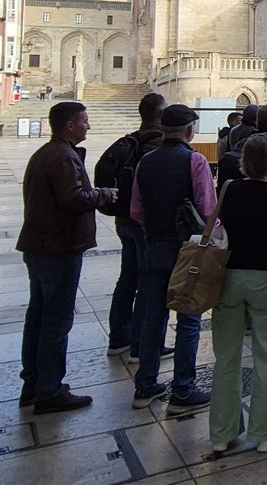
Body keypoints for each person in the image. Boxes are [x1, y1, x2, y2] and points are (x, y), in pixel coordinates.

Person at [16, 102, 117, 413]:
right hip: (57, 248)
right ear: (69, 125)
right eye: (84, 121)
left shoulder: (47, 153)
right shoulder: (62, 156)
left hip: (41, 245)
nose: (88, 127)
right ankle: (48, 390)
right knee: (56, 319)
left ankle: (33, 383)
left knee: (39, 315)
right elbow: (73, 199)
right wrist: (105, 194)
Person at [210, 134, 267, 455]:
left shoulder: (229, 189)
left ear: (244, 161)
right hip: (266, 276)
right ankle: (265, 431)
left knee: (227, 355)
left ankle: (221, 432)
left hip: (229, 276)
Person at [130, 104, 217, 415]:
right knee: (189, 319)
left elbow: (136, 211)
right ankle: (182, 389)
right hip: (186, 249)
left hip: (154, 245)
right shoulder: (195, 161)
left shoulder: (146, 162)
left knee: (154, 318)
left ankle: (145, 385)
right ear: (190, 130)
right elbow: (208, 210)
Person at [101, 92, 165, 359]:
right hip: (144, 224)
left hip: (123, 220)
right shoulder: (158, 144)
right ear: (160, 115)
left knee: (127, 277)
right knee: (148, 281)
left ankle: (119, 338)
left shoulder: (127, 140)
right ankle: (141, 343)